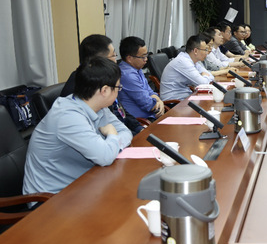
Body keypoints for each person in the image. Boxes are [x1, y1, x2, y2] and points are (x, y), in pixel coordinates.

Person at [23, 57, 133, 195]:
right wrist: (112, 135)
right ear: (104, 90)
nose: (118, 91)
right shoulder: (68, 116)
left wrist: (111, 145)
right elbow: (105, 156)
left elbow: (126, 132)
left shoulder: (98, 106)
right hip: (51, 197)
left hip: (84, 183)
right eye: (117, 88)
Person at [61, 34, 143, 135]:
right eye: (113, 56)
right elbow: (101, 129)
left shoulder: (104, 77)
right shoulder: (83, 85)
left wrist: (139, 128)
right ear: (99, 61)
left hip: (121, 132)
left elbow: (120, 109)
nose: (116, 60)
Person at [118, 36, 165, 119]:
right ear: (129, 58)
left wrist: (160, 101)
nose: (146, 59)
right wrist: (158, 102)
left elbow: (150, 92)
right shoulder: (127, 75)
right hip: (141, 121)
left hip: (152, 115)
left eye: (146, 55)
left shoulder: (136, 68)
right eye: (143, 57)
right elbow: (148, 104)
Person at [160, 34, 213, 100]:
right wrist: (205, 76)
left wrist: (204, 76)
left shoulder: (193, 61)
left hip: (185, 96)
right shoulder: (183, 62)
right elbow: (203, 84)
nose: (207, 52)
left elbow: (211, 76)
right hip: (174, 101)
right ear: (196, 51)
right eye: (205, 50)